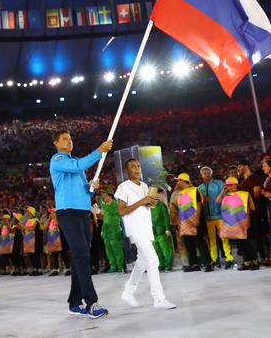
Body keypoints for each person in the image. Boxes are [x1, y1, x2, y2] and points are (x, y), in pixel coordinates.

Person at [49, 129, 111, 319]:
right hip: (68, 212)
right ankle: (91, 302)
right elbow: (77, 166)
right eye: (65, 139)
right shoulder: (58, 160)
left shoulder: (75, 164)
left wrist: (91, 188)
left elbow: (84, 192)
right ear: (56, 144)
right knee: (82, 254)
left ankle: (74, 302)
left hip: (83, 213)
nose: (69, 142)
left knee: (81, 256)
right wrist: (99, 151)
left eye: (71, 138)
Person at [115, 158, 176, 310]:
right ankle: (158, 298)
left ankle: (128, 291)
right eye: (132, 166)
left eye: (138, 166)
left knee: (142, 262)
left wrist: (151, 201)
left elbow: (146, 206)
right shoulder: (123, 187)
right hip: (135, 229)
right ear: (126, 171)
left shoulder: (144, 185)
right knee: (153, 260)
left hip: (146, 228)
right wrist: (142, 201)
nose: (136, 168)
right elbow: (121, 211)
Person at [175, 173, 213, 272]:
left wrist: (197, 218)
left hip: (194, 220)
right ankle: (194, 264)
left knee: (199, 242)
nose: (177, 182)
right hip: (185, 222)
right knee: (188, 243)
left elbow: (199, 204)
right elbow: (180, 209)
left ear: (184, 181)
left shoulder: (195, 190)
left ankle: (208, 263)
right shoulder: (181, 193)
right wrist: (179, 221)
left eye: (179, 180)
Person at [199, 166, 234, 269]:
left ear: (211, 173)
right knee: (212, 240)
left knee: (224, 238)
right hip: (207, 217)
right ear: (201, 175)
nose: (206, 174)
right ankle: (215, 259)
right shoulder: (199, 188)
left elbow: (227, 195)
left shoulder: (219, 184)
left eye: (208, 172)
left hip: (220, 215)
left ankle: (229, 258)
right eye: (204, 172)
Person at [98, 189, 124, 273]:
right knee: (108, 250)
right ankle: (113, 265)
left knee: (116, 248)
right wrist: (102, 230)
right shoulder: (104, 206)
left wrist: (103, 206)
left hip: (114, 230)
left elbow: (115, 213)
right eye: (102, 196)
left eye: (105, 196)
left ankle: (120, 266)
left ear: (110, 196)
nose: (103, 198)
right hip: (106, 230)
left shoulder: (115, 204)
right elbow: (105, 219)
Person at [151, 188, 174, 272]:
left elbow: (166, 217)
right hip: (153, 232)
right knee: (157, 250)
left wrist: (167, 228)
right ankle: (161, 264)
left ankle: (168, 265)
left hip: (162, 231)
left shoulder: (161, 205)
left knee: (166, 249)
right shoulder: (149, 207)